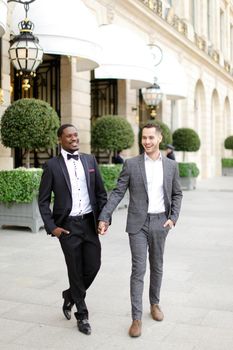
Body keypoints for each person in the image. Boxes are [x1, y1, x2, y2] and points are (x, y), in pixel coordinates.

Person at [98, 123, 182, 338]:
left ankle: (154, 304)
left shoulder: (171, 166)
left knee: (157, 266)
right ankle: (136, 317)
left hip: (160, 223)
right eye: (144, 138)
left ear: (159, 139)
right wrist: (105, 216)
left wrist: (172, 219)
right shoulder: (131, 164)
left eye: (151, 138)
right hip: (137, 224)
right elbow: (117, 192)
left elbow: (177, 194)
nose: (147, 142)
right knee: (138, 269)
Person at [38, 124, 107, 335]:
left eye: (76, 134)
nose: (74, 138)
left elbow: (101, 194)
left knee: (94, 265)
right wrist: (52, 228)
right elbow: (42, 201)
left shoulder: (89, 160)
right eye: (69, 136)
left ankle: (70, 295)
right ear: (60, 139)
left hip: (89, 223)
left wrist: (104, 219)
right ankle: (82, 315)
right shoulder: (52, 166)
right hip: (67, 227)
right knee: (75, 270)